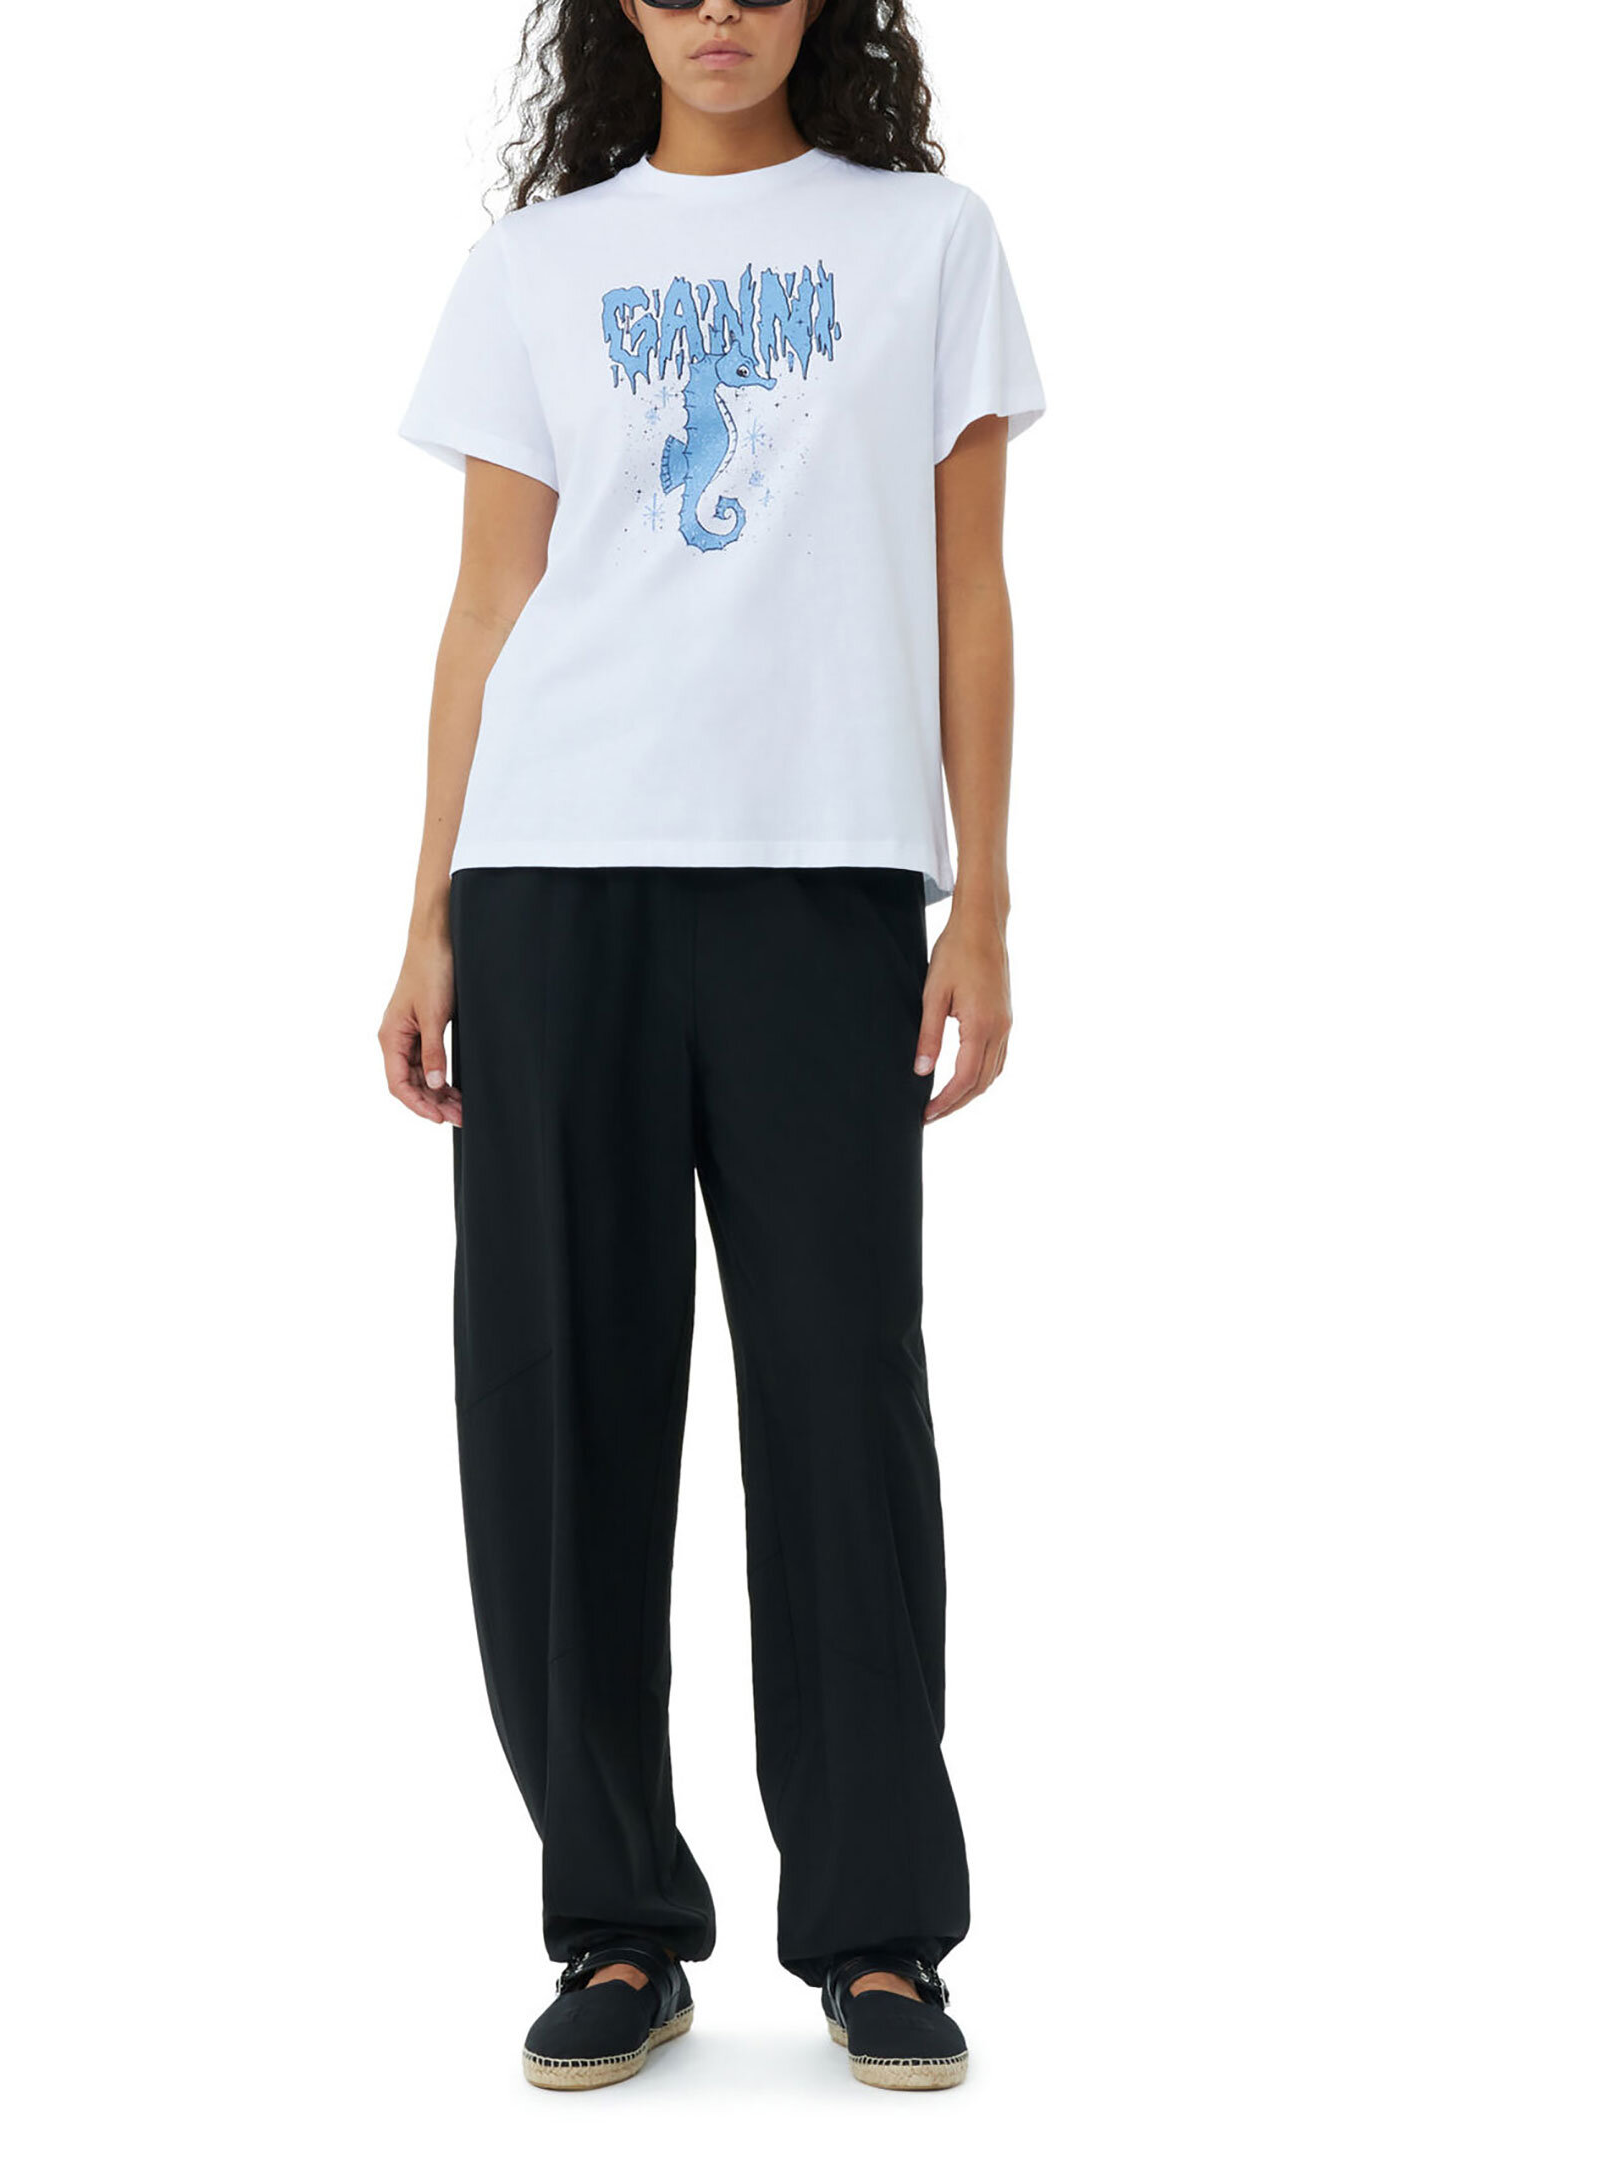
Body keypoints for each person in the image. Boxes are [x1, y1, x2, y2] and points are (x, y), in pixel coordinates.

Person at [379, 0, 1044, 2094]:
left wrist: (981, 901)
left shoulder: (927, 242)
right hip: (552, 875)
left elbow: (969, 591)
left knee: (842, 1398)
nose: (722, 9)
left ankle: (877, 1933)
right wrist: (427, 912)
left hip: (820, 881)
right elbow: (489, 605)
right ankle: (615, 1922)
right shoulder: (536, 265)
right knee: (558, 1393)